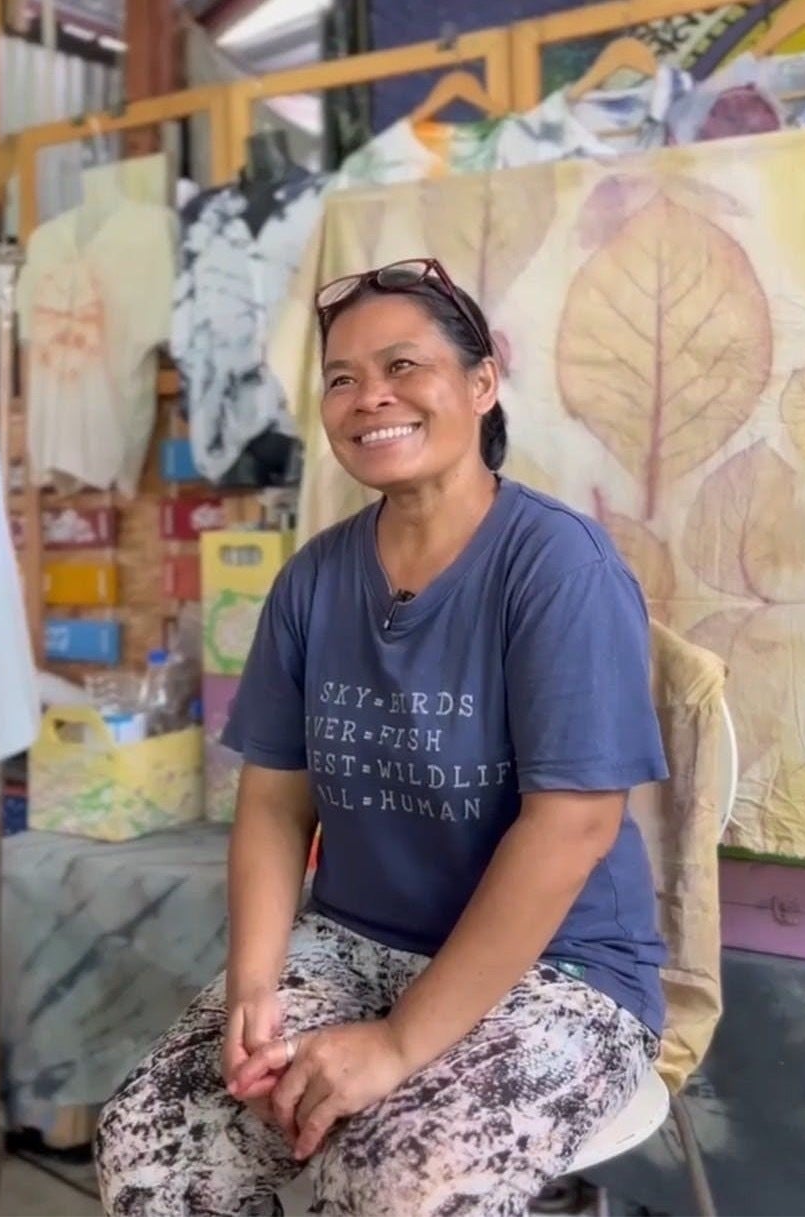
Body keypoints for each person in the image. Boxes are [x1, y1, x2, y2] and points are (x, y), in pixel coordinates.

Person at [95, 258, 670, 1217]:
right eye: (342, 378)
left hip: (560, 972)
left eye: (403, 366)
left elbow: (571, 827)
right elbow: (275, 804)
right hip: (351, 944)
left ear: (481, 384)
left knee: (395, 1177)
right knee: (149, 1146)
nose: (371, 397)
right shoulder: (314, 579)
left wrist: (399, 1043)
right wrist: (253, 987)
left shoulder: (557, 566)